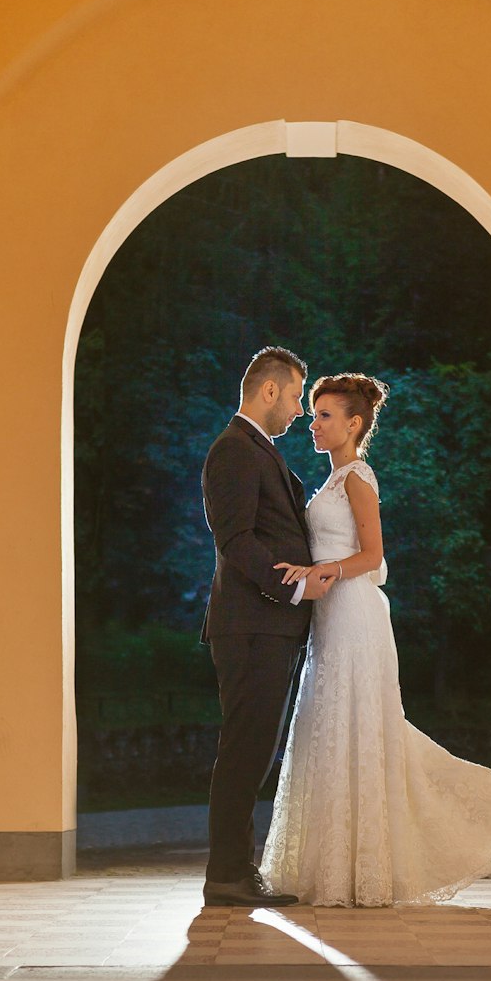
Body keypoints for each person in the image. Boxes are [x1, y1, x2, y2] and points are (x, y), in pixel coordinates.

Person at [261, 372, 491, 907]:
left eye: (324, 416)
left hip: (355, 614)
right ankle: (333, 870)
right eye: (313, 413)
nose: (313, 425)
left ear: (354, 424)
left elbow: (372, 557)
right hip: (331, 616)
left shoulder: (358, 477)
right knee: (331, 728)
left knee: (361, 728)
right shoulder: (331, 479)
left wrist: (317, 572)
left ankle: (373, 869)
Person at [199, 346, 337, 907]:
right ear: (271, 390)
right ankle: (227, 875)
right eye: (299, 396)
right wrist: (296, 587)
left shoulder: (257, 450)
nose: (301, 411)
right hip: (252, 624)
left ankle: (233, 871)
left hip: (267, 628)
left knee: (252, 749)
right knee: (245, 750)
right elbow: (235, 542)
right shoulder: (234, 450)